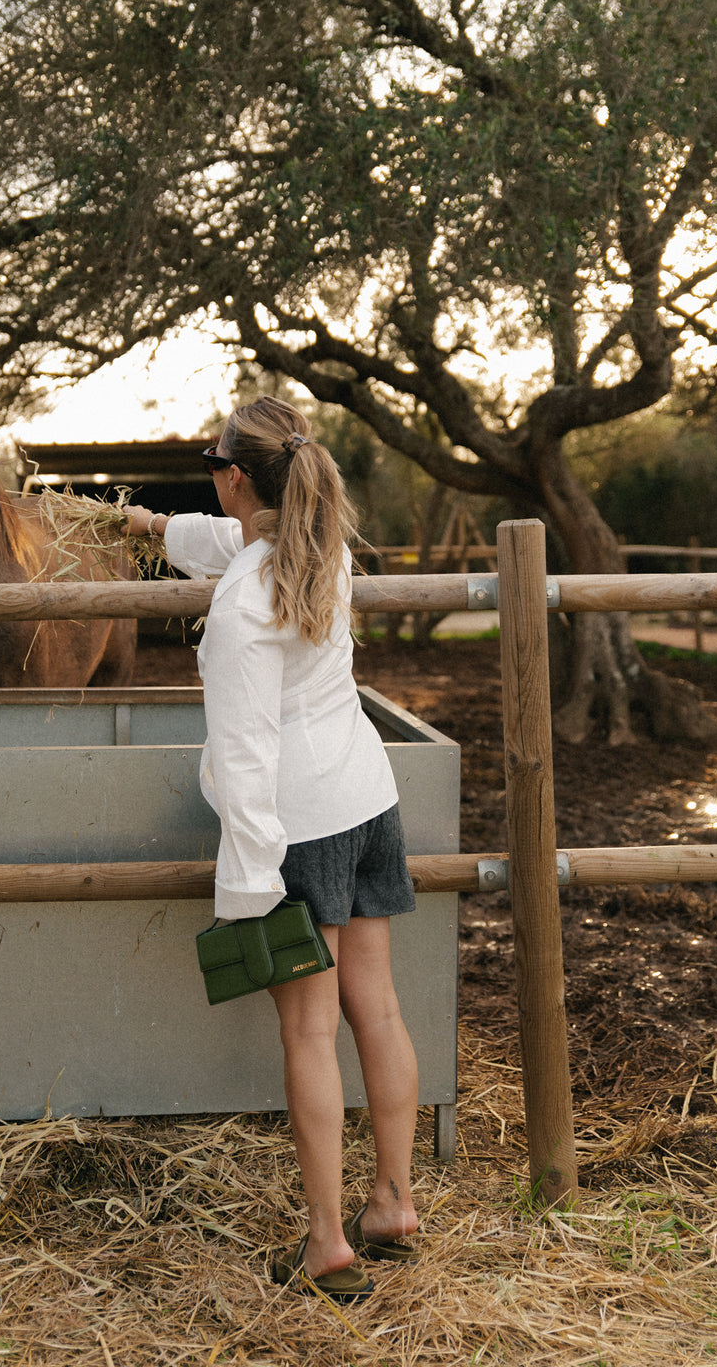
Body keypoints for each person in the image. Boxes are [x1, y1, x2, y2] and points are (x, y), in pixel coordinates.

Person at [125, 397, 420, 1304]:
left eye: (214, 463)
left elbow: (246, 756)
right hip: (370, 796)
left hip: (301, 818)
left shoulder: (243, 608)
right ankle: (394, 1207)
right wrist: (142, 525)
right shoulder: (317, 542)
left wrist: (249, 884)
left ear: (234, 477)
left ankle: (328, 1242)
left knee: (308, 1029)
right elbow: (222, 541)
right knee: (376, 1008)